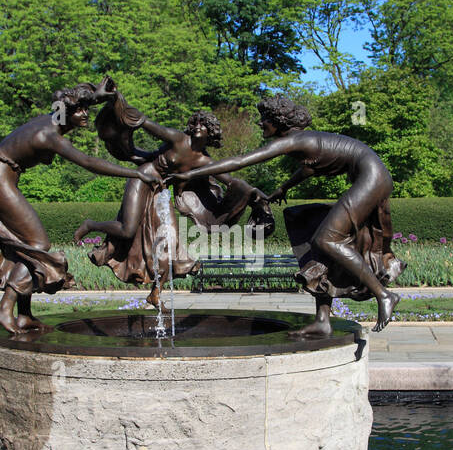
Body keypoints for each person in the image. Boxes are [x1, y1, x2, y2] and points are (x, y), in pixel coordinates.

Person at [171, 95, 402, 336]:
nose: (260, 124)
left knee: (327, 240)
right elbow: (309, 167)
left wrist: (192, 173)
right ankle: (323, 320)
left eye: (264, 120)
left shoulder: (294, 140)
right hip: (371, 176)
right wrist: (284, 188)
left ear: (278, 121)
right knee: (306, 226)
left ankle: (384, 295)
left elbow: (240, 161)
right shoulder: (303, 141)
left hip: (371, 177)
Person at [0, 81, 160, 334]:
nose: (85, 116)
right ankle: (4, 309)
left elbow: (72, 100)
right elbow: (89, 162)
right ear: (68, 111)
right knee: (38, 246)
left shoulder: (55, 118)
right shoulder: (49, 136)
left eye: (87, 109)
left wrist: (98, 96)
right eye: (80, 111)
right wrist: (135, 174)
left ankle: (24, 315)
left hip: (0, 179)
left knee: (27, 247)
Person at [75, 97, 273, 310]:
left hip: (160, 190)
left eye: (203, 125)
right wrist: (117, 102)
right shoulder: (179, 139)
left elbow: (232, 182)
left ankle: (155, 294)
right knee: (127, 229)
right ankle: (90, 225)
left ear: (211, 133)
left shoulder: (205, 161)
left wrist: (255, 195)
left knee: (170, 243)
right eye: (195, 123)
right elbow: (145, 123)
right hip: (142, 178)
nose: (197, 126)